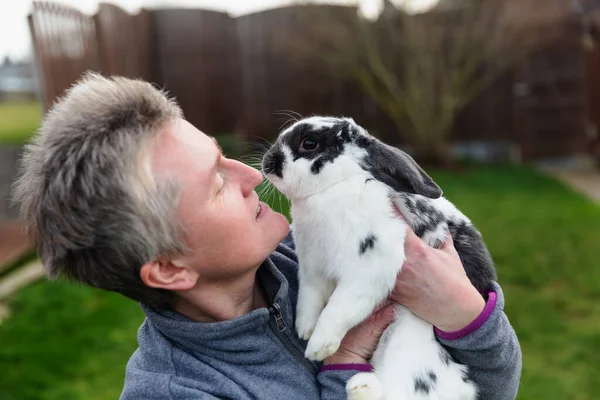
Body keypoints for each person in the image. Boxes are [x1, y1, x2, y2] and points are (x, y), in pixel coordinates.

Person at [12, 73, 521, 399]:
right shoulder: (178, 391)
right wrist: (343, 373)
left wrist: (463, 316)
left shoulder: (311, 258)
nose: (251, 176)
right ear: (169, 268)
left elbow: (495, 386)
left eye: (223, 154)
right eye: (216, 183)